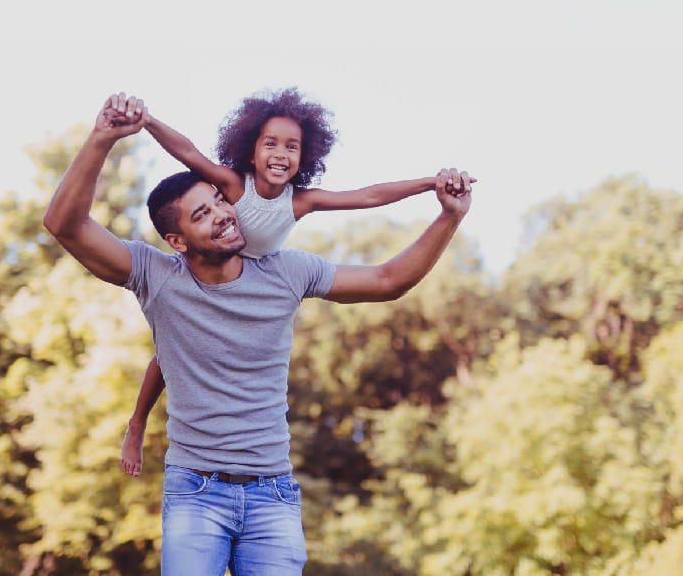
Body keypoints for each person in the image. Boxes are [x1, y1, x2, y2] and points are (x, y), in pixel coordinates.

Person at [43, 92, 473, 576]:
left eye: (218, 202)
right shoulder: (156, 276)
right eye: (201, 214)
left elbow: (387, 281)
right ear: (177, 241)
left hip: (273, 495)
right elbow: (65, 224)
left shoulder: (287, 272)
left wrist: (449, 216)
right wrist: (103, 137)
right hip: (196, 494)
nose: (223, 214)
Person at [120, 88, 473, 476]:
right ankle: (137, 422)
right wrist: (148, 122)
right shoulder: (234, 187)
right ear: (250, 151)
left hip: (251, 280)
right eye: (270, 143)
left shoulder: (302, 201)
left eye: (292, 146)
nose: (280, 154)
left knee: (180, 352)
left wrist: (428, 184)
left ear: (304, 156)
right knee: (168, 353)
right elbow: (188, 153)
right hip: (203, 269)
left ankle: (142, 421)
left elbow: (370, 196)